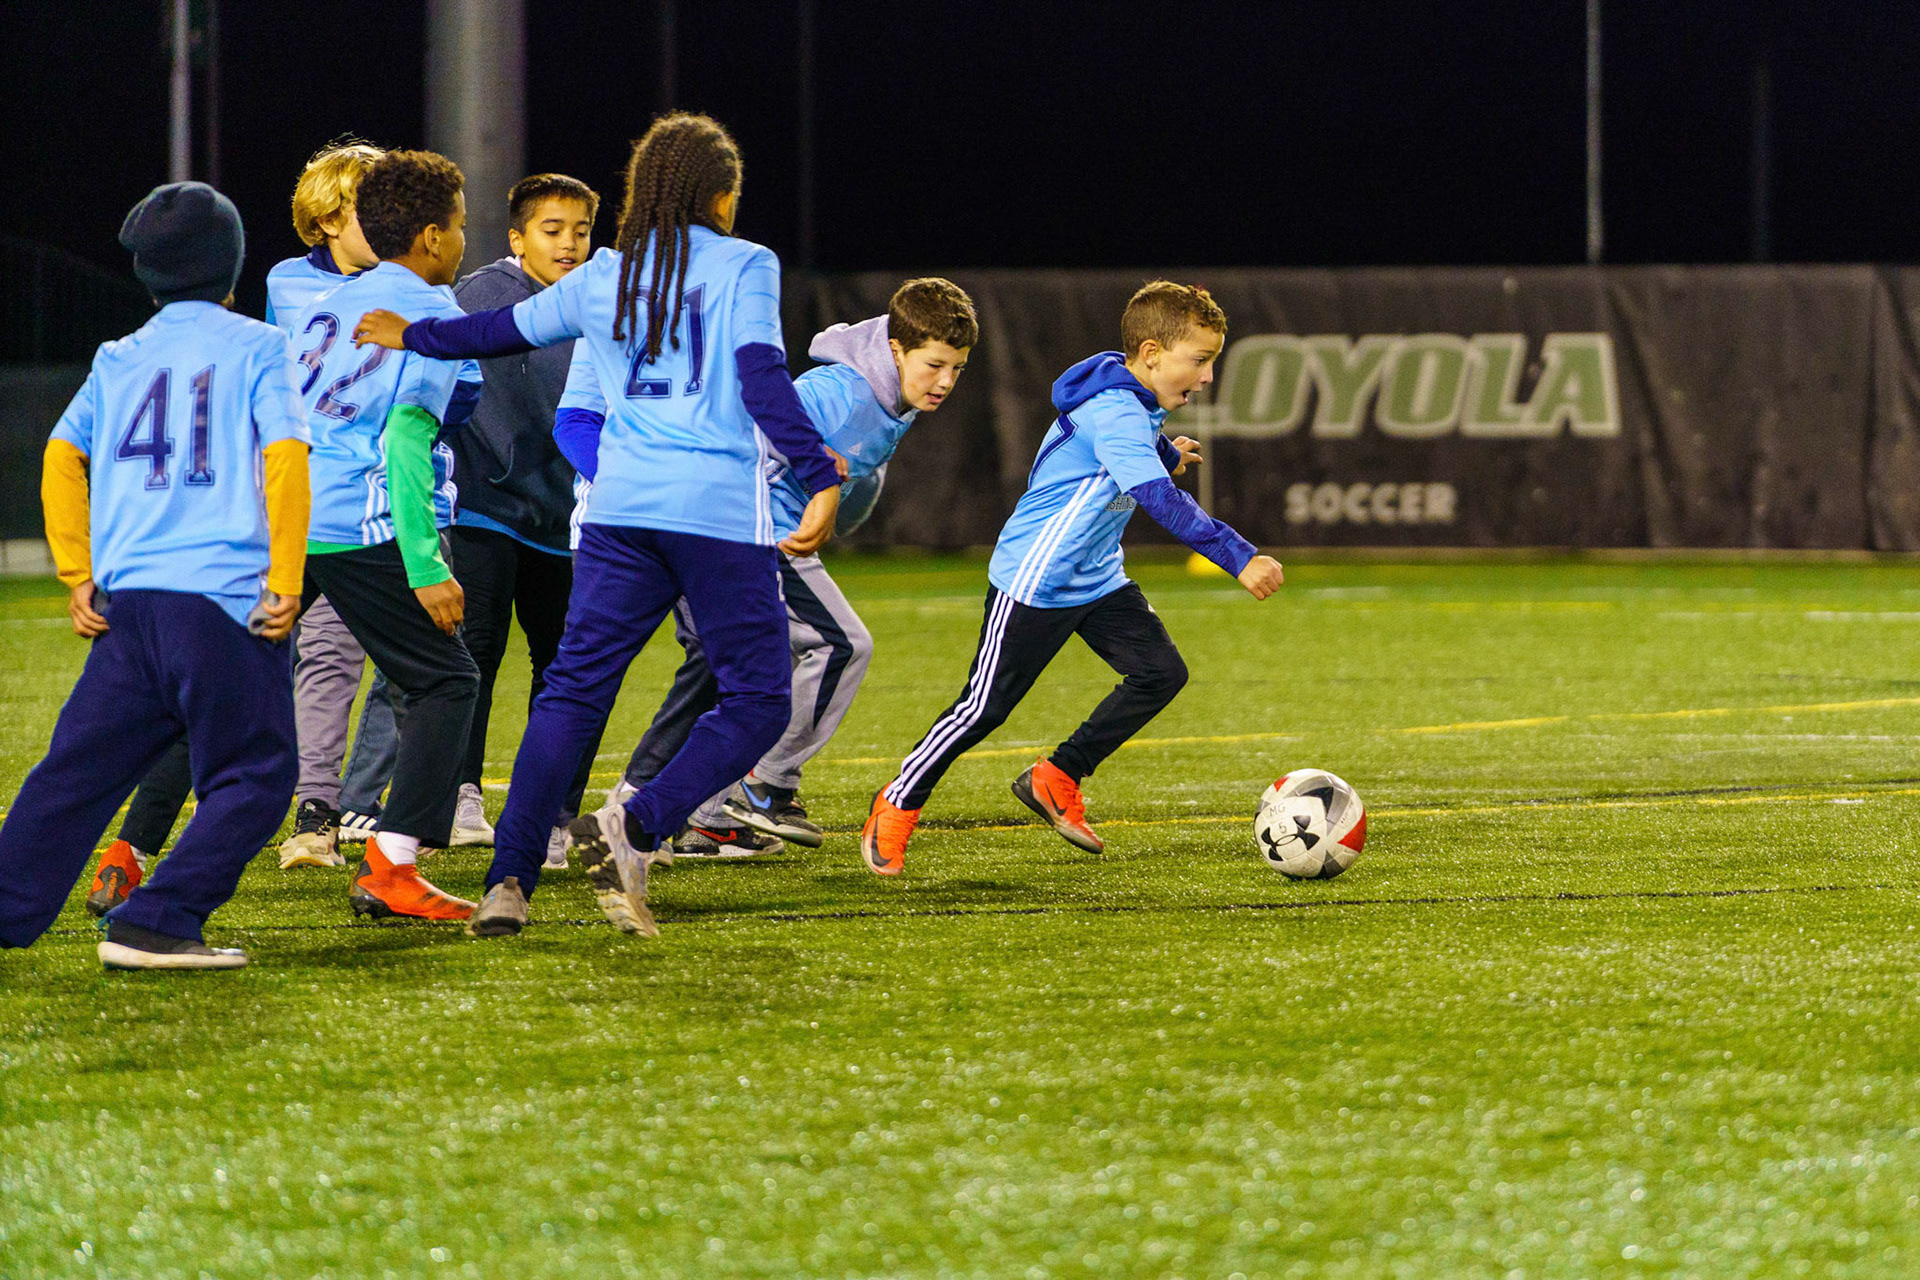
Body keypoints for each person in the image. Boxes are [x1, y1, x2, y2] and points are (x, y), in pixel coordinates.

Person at [352, 112, 846, 938]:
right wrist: (818, 468)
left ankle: (509, 881)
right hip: (717, 513)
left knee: (572, 694)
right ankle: (633, 826)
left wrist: (418, 335)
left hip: (618, 511)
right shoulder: (745, 262)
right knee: (759, 699)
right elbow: (760, 375)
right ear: (720, 194)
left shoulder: (605, 274)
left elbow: (497, 332)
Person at [859, 281, 1287, 876]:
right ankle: (897, 802)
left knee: (1161, 673)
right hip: (1036, 578)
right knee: (982, 709)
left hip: (1096, 578)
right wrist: (1239, 557)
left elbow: (1114, 454)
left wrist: (1163, 451)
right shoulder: (1114, 407)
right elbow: (1156, 498)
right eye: (1202, 359)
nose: (1210, 375)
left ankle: (1056, 775)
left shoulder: (1130, 399)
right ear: (1152, 353)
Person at [0, 182, 309, 969]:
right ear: (231, 265)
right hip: (220, 604)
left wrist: (77, 569)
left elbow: (61, 456)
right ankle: (160, 918)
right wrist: (285, 574)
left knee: (73, 778)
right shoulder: (257, 346)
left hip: (129, 609)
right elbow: (283, 458)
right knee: (259, 775)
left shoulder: (118, 356)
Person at [616, 279, 979, 858]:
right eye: (935, 365)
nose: (945, 382)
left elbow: (845, 472)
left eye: (957, 369)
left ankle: (705, 818)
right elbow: (747, 429)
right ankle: (765, 785)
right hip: (743, 532)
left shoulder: (896, 397)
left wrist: (834, 496)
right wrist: (805, 480)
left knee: (739, 672)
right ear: (894, 350)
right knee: (840, 646)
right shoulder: (838, 391)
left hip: (764, 535)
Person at [294, 149, 482, 921]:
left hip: (294, 517)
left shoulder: (317, 301)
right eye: (464, 225)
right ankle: (392, 865)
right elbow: (406, 440)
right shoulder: (435, 314)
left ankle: (130, 847)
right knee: (448, 681)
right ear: (434, 238)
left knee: (219, 675)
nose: (467, 239)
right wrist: (425, 562)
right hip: (363, 523)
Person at [444, 173, 604, 856]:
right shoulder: (479, 295)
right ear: (517, 238)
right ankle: (458, 797)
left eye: (581, 230)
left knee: (567, 666)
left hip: (561, 518)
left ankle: (553, 813)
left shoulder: (598, 302)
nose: (569, 244)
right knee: (473, 658)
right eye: (552, 229)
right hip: (484, 508)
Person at [268, 140, 415, 869]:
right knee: (318, 653)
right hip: (319, 500)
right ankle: (316, 809)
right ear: (326, 217)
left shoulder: (408, 280)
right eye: (369, 207)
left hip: (396, 492)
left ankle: (368, 804)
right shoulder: (288, 284)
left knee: (415, 668)